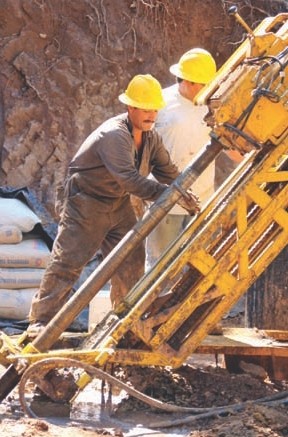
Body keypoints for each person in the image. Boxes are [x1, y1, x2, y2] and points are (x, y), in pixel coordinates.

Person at [28, 74, 200, 335]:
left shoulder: (151, 139)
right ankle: (40, 322)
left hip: (119, 203)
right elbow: (131, 180)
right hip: (85, 202)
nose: (151, 115)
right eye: (145, 109)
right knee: (69, 261)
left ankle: (124, 321)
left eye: (154, 109)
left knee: (130, 260)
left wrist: (184, 192)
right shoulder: (114, 135)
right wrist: (169, 193)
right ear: (130, 107)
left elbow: (168, 171)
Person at [146, 48, 218, 269]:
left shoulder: (213, 105)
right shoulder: (160, 103)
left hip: (202, 201)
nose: (207, 88)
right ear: (188, 81)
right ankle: (154, 303)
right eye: (202, 83)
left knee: (196, 266)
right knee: (159, 266)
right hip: (166, 199)